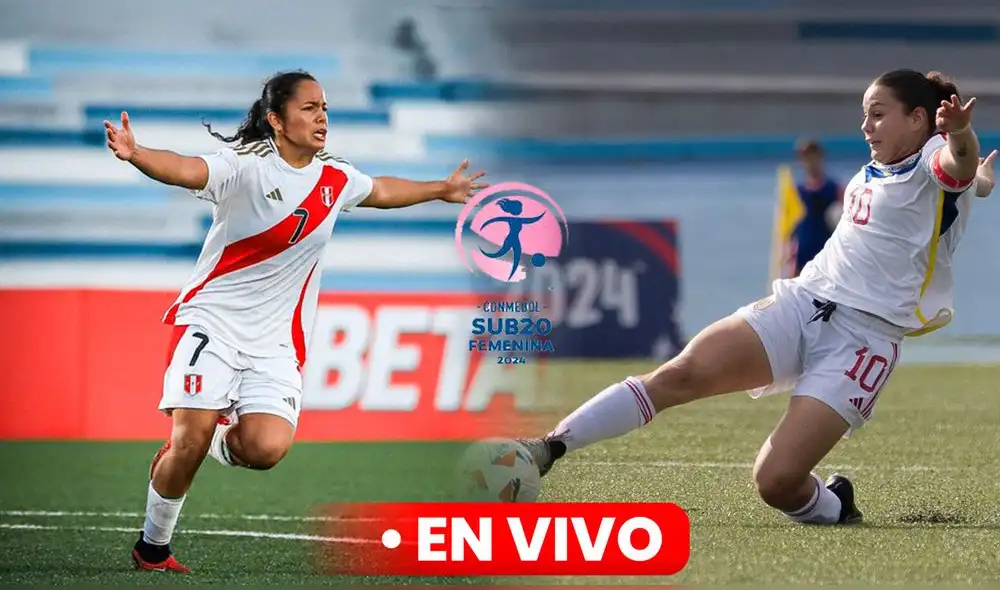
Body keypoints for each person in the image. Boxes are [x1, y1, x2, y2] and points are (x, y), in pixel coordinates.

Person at [519, 69, 998, 525]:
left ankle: (834, 507)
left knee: (775, 483)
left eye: (877, 113)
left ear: (918, 118)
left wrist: (961, 134)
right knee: (680, 373)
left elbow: (955, 163)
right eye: (864, 113)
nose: (865, 125)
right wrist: (979, 181)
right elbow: (961, 182)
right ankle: (548, 448)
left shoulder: (935, 156)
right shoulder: (883, 165)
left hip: (863, 342)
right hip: (802, 302)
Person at [103, 70, 488, 573]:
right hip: (213, 323)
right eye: (308, 107)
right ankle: (152, 546)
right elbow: (186, 168)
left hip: (275, 344)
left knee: (265, 449)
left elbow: (383, 191)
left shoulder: (336, 177)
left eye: (324, 107)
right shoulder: (245, 166)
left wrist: (440, 188)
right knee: (188, 443)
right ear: (276, 120)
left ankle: (197, 440)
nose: (322, 116)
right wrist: (138, 154)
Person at [791, 139, 843, 276]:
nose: (810, 162)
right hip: (804, 243)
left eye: (813, 157)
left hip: (826, 243)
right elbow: (789, 223)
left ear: (820, 158)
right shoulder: (797, 190)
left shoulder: (834, 188)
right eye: (805, 158)